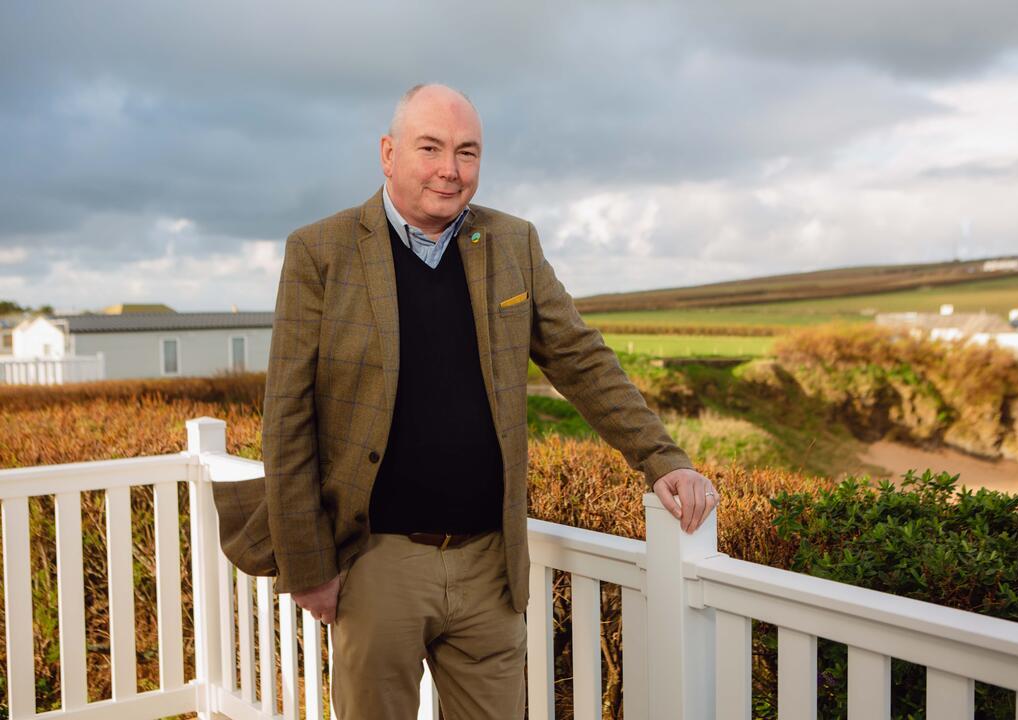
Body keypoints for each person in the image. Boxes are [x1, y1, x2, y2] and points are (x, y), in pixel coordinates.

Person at [213, 83, 718, 719]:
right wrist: (309, 566)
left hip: (489, 567)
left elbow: (581, 359)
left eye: (467, 152)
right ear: (388, 154)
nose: (451, 170)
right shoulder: (321, 251)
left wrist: (662, 457)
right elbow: (286, 420)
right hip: (375, 562)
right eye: (431, 148)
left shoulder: (513, 244)